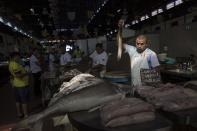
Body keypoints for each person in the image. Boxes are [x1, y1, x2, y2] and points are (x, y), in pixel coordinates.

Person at [118, 20, 160, 86]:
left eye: (142, 44)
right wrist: (120, 30)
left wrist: (154, 84)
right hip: (134, 84)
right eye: (137, 43)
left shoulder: (151, 54)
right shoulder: (132, 50)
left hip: (146, 87)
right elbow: (119, 43)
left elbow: (156, 70)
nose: (139, 46)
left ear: (146, 44)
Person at [9, 52, 29, 118]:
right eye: (18, 56)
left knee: (17, 100)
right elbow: (18, 75)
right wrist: (26, 73)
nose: (19, 58)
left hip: (15, 84)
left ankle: (19, 113)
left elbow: (12, 75)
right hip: (21, 85)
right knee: (24, 100)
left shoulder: (11, 63)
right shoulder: (15, 64)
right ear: (14, 57)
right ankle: (25, 114)